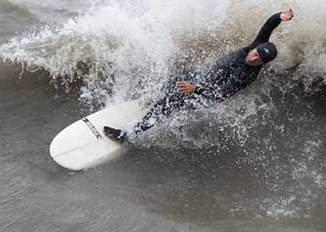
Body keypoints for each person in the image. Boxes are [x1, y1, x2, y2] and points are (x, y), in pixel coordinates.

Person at [103, 8, 294, 143]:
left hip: (206, 94)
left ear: (262, 64)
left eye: (258, 59)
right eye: (255, 53)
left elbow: (220, 93)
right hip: (203, 80)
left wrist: (196, 89)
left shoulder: (247, 75)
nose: (253, 58)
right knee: (177, 78)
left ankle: (128, 136)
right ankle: (151, 103)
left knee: (168, 105)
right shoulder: (256, 45)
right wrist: (280, 16)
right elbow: (269, 25)